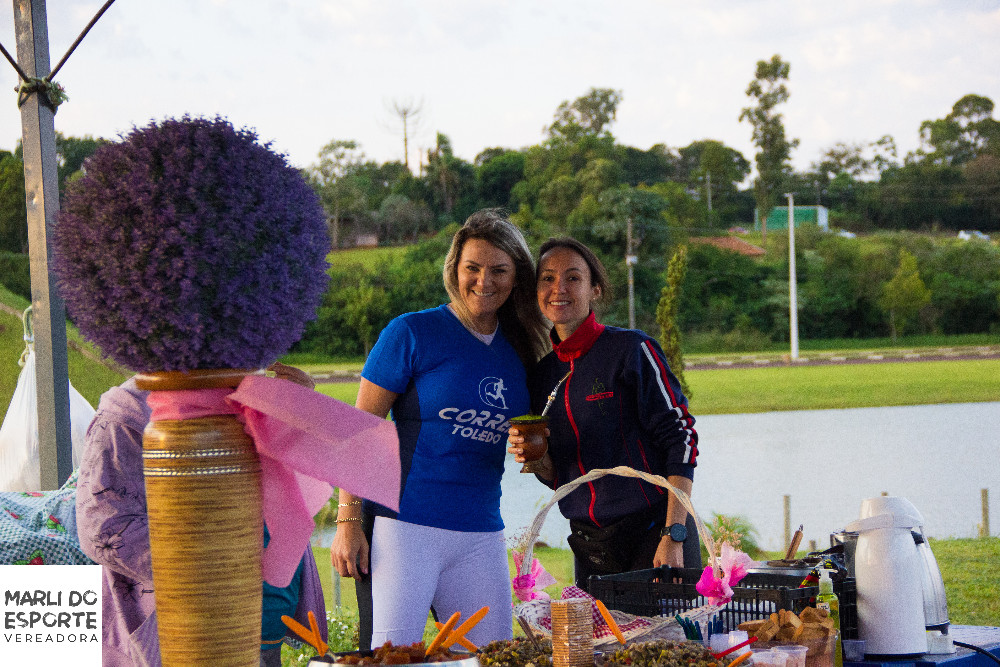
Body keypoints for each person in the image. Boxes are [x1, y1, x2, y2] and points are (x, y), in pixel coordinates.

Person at [330, 209, 549, 648]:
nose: (484, 281)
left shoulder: (524, 350)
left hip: (481, 533)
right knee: (393, 658)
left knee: (490, 657)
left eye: (499, 270)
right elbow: (358, 431)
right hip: (404, 528)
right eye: (473, 268)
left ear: (516, 276)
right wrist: (348, 521)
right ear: (455, 269)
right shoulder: (412, 332)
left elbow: (535, 444)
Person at [76, 362, 327, 667]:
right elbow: (105, 528)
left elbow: (288, 486)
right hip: (187, 629)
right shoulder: (126, 416)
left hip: (265, 613)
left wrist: (295, 407)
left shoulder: (245, 391)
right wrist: (217, 576)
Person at [508, 237, 700, 591]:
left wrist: (674, 535)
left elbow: (682, 440)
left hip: (654, 538)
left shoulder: (631, 350)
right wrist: (536, 457)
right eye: (547, 278)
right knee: (596, 648)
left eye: (573, 278)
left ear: (595, 289)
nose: (558, 288)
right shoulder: (541, 375)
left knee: (665, 646)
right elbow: (557, 478)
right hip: (589, 546)